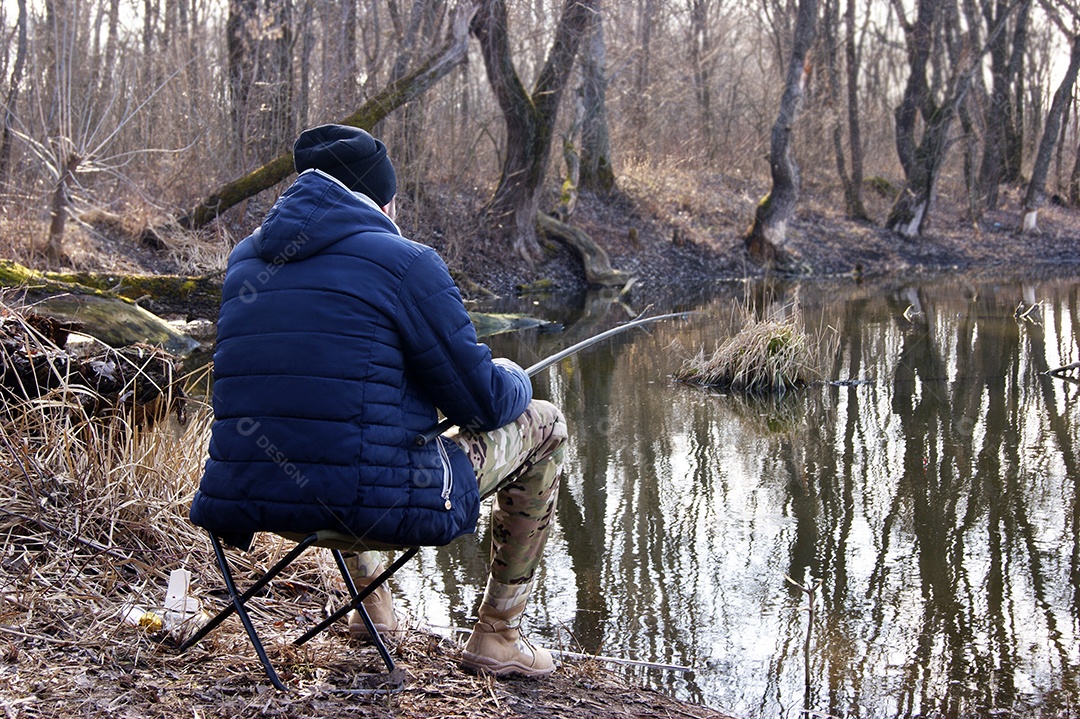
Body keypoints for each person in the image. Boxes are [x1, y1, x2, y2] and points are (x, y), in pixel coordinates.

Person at [189, 124, 567, 677]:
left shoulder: (247, 261)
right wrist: (512, 374)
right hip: (367, 504)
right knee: (547, 425)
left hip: (247, 495)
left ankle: (371, 609)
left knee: (349, 422)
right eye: (395, 199)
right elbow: (482, 404)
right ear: (381, 199)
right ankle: (498, 636)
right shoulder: (405, 263)